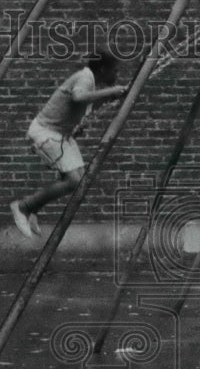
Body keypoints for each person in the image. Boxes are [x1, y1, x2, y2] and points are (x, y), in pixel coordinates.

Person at [11, 49, 127, 237]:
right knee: (74, 180)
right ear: (103, 69)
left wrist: (79, 124)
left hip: (61, 134)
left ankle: (33, 208)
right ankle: (23, 207)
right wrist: (111, 91)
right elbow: (77, 97)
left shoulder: (92, 82)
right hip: (45, 132)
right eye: (115, 70)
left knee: (79, 179)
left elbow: (74, 106)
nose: (117, 74)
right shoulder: (86, 77)